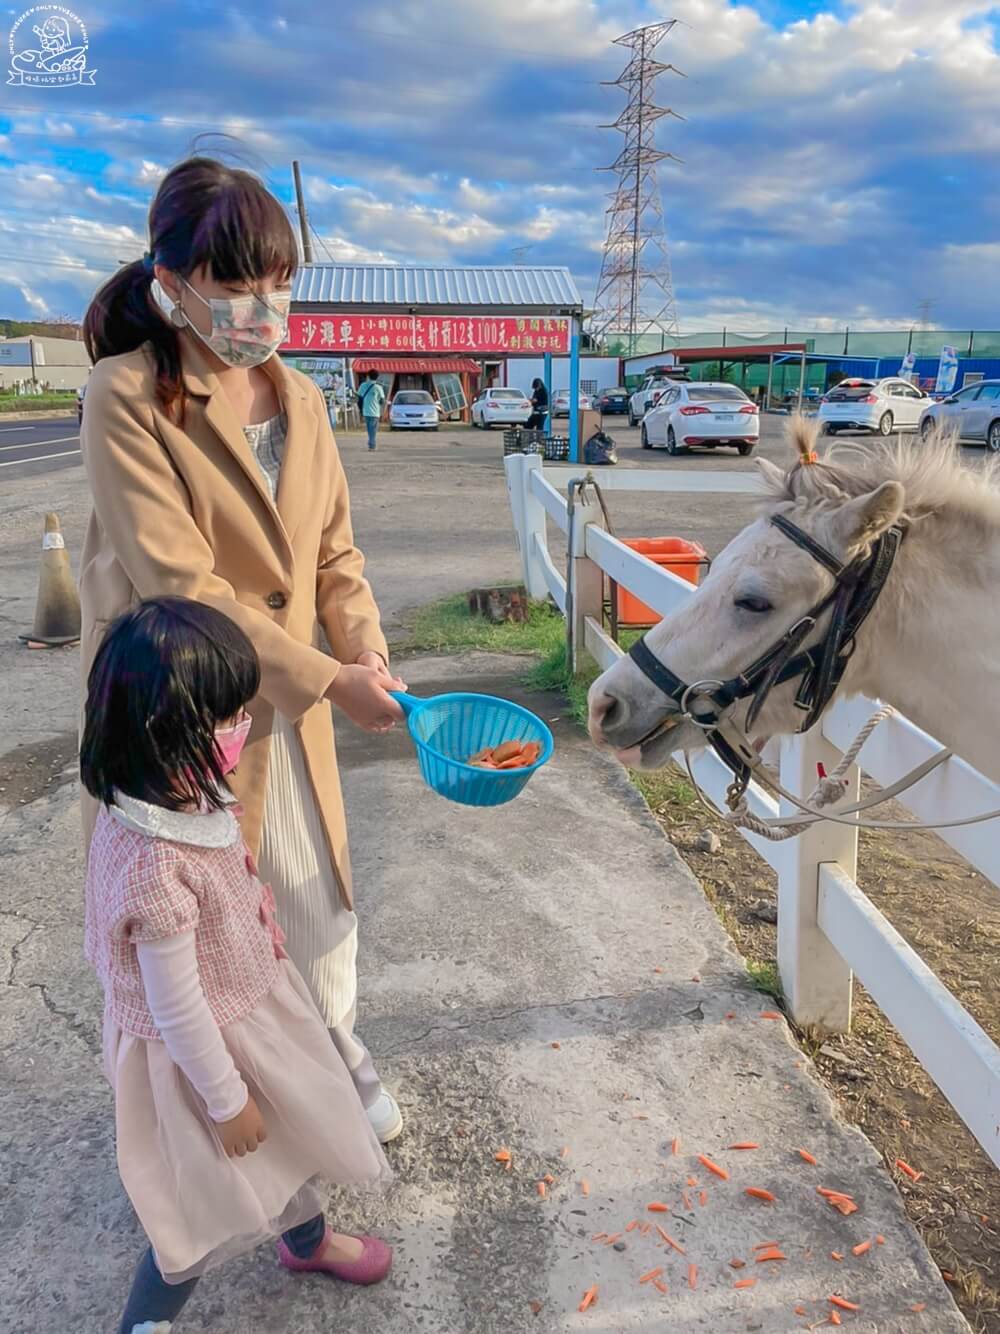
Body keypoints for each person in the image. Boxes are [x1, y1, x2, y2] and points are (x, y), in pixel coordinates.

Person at [79, 155, 407, 1149]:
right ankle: (224, 1094)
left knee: (315, 895)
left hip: (295, 694)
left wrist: (366, 654)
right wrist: (327, 678)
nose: (262, 304)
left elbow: (336, 554)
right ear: (170, 282)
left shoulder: (301, 398)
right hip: (182, 711)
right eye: (235, 281)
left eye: (279, 279)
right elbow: (181, 583)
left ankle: (332, 1041)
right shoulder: (126, 394)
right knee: (200, 921)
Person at [80, 598, 392, 1333]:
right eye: (225, 717)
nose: (241, 726)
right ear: (161, 730)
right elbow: (177, 1009)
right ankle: (147, 1320)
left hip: (251, 1015)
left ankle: (307, 1243)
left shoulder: (173, 791)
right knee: (196, 1208)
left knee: (294, 1139)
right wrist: (225, 1102)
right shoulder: (154, 866)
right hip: (199, 1061)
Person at [358, 368, 386, 450]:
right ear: (377, 377)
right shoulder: (378, 387)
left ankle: (371, 442)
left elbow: (359, 396)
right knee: (373, 430)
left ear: (368, 376)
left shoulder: (363, 385)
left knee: (369, 429)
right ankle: (372, 445)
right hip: (375, 412)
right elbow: (382, 400)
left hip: (365, 411)